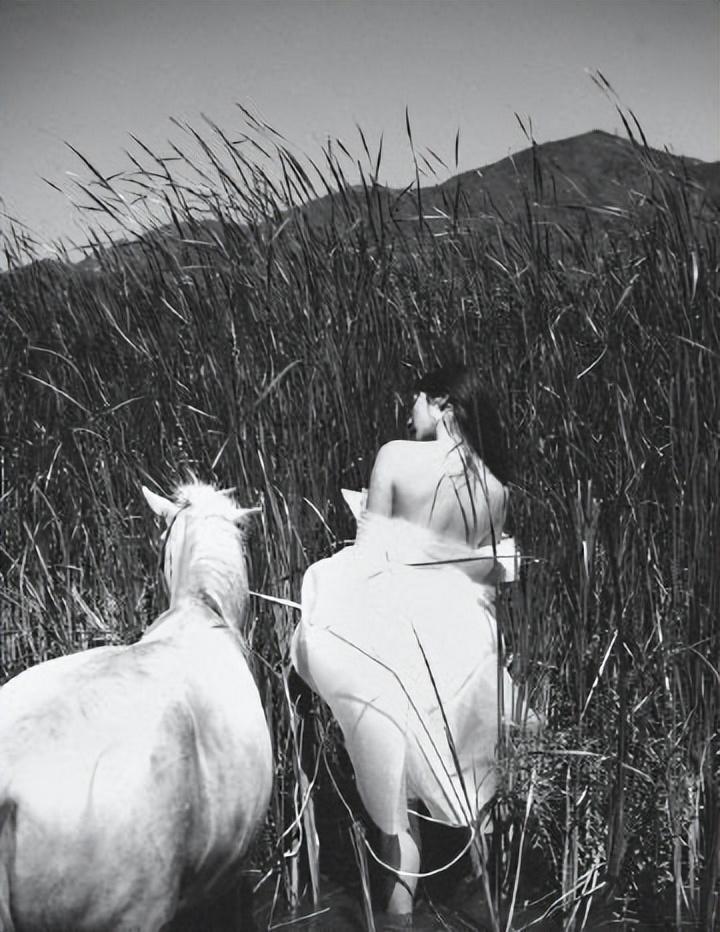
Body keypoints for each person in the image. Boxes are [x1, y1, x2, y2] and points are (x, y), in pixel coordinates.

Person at [291, 362, 523, 923]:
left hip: (403, 642)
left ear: (442, 403)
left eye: (415, 401)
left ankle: (398, 920)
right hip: (466, 647)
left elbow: (368, 562)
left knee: (398, 814)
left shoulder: (396, 456)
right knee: (472, 795)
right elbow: (479, 575)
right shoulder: (496, 488)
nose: (408, 414)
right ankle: (493, 910)